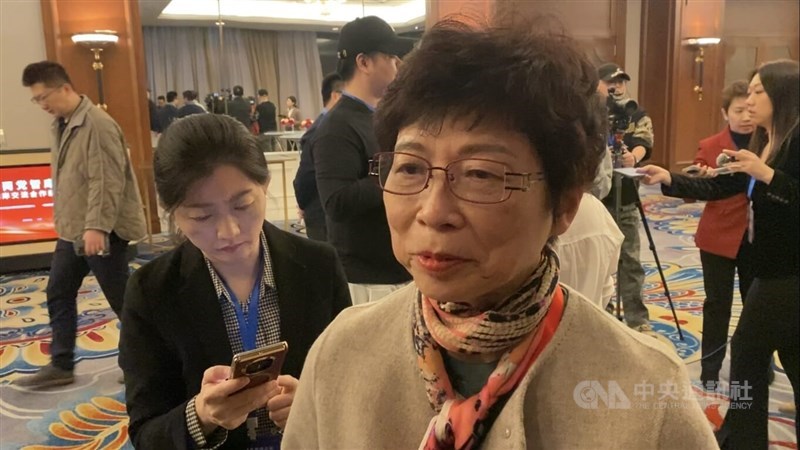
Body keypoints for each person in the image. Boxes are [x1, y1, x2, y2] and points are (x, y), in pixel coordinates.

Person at [283, 18, 716, 449]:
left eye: (480, 174)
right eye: (411, 168)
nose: (433, 212)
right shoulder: (341, 352)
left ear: (565, 205)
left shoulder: (646, 394)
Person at [119, 114, 351, 449]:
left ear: (265, 185)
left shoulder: (318, 266)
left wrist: (314, 405)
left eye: (242, 205)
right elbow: (146, 433)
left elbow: (350, 384)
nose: (228, 231)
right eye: (202, 216)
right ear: (172, 211)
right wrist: (202, 415)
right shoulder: (152, 291)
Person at [639, 59, 799, 449]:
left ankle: (741, 440)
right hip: (769, 269)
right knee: (785, 356)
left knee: (747, 354)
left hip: (788, 274)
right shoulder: (766, 140)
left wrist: (767, 175)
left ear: (782, 96)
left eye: (759, 91)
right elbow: (725, 187)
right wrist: (670, 179)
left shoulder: (794, 142)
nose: (750, 100)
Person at [16, 61, 147, 388]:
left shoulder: (97, 125)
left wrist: (97, 227)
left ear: (64, 88)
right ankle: (61, 365)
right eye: (36, 100)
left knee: (124, 300)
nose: (41, 105)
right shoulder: (62, 124)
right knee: (58, 291)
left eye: (44, 97)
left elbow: (106, 180)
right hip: (73, 230)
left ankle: (147, 362)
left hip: (103, 230)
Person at [312, 16, 415, 304]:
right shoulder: (337, 126)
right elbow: (336, 201)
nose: (398, 64)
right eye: (390, 57)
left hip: (397, 268)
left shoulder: (380, 117)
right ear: (364, 62)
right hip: (367, 280)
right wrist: (397, 169)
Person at [688, 80, 756, 390]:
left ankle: (757, 366)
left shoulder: (769, 142)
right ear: (725, 113)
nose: (746, 116)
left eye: (750, 110)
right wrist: (701, 177)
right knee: (717, 305)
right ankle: (710, 370)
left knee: (755, 306)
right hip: (717, 237)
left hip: (756, 237)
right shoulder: (711, 144)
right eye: (738, 110)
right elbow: (696, 189)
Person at [597, 62, 656, 335]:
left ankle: (637, 320)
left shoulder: (636, 113)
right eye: (611, 82)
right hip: (597, 198)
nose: (617, 87)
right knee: (600, 259)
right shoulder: (590, 114)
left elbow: (644, 142)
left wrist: (634, 157)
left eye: (621, 82)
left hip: (626, 195)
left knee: (630, 260)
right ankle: (602, 313)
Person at [292, 72, 344, 241]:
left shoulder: (331, 126)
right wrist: (303, 204)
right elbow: (305, 176)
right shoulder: (323, 130)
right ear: (336, 96)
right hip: (321, 216)